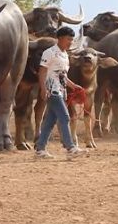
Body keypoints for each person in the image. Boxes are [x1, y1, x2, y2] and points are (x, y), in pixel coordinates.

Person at [35, 26, 86, 159]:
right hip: (52, 91)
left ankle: (40, 149)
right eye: (68, 39)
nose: (70, 42)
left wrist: (74, 86)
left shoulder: (65, 55)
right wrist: (43, 88)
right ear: (60, 38)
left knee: (50, 121)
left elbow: (63, 76)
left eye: (72, 39)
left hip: (61, 91)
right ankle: (70, 147)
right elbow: (42, 71)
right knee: (65, 116)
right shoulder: (49, 52)